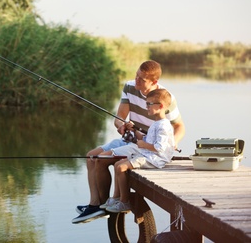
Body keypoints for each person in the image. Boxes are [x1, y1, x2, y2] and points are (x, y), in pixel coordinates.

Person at [72, 60, 185, 224]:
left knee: (101, 159)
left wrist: (171, 143)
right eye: (136, 76)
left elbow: (180, 126)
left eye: (142, 79)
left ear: (154, 82)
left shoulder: (164, 98)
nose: (136, 81)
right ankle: (96, 205)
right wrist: (122, 126)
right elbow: (119, 118)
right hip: (132, 138)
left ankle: (105, 205)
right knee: (91, 157)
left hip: (144, 145)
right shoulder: (130, 87)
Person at [102, 88, 175, 213]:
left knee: (121, 167)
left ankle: (124, 202)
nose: (146, 107)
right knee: (118, 164)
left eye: (149, 104)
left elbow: (159, 148)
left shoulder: (163, 125)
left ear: (161, 106)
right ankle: (116, 198)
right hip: (147, 154)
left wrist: (144, 144)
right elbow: (145, 139)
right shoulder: (156, 123)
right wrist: (134, 129)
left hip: (155, 159)